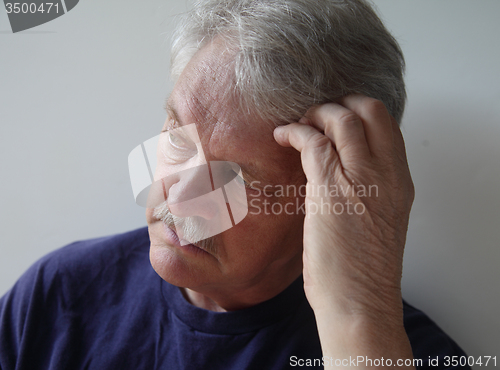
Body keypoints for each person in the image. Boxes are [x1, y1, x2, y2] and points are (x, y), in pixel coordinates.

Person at [0, 0, 470, 369]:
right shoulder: (58, 294)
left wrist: (357, 318)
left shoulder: (395, 352)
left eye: (236, 177)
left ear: (329, 201)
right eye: (178, 139)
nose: (176, 196)